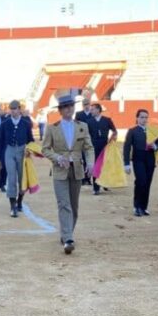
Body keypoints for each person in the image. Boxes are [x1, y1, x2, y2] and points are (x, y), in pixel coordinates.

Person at [41, 93, 95, 254]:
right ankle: (68, 238)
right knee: (64, 204)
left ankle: (66, 233)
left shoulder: (82, 126)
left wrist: (90, 162)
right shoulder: (52, 128)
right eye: (65, 107)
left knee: (74, 206)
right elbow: (45, 149)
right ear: (60, 110)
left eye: (71, 106)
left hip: (77, 169)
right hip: (60, 170)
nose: (69, 109)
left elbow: (89, 147)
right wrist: (57, 157)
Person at [0, 99, 35, 217]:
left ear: (19, 109)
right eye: (11, 109)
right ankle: (12, 206)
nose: (13, 111)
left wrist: (30, 150)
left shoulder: (26, 124)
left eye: (15, 109)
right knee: (12, 178)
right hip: (9, 151)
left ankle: (19, 202)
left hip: (23, 151)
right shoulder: (5, 124)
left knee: (22, 179)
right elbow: (1, 141)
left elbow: (30, 140)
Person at [123, 109, 158, 217]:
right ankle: (137, 207)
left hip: (150, 159)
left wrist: (154, 146)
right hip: (138, 159)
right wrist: (126, 163)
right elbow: (127, 148)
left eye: (146, 117)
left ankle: (144, 207)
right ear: (137, 118)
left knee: (147, 183)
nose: (144, 119)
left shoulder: (152, 131)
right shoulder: (132, 131)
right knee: (141, 181)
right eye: (142, 117)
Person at [85, 103, 118, 195]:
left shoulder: (107, 120)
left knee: (104, 166)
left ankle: (105, 183)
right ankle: (96, 188)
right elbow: (85, 135)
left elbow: (115, 131)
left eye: (93, 109)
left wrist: (111, 141)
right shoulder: (88, 121)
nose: (91, 111)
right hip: (93, 146)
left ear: (98, 110)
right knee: (96, 166)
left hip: (105, 146)